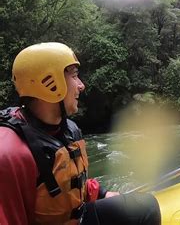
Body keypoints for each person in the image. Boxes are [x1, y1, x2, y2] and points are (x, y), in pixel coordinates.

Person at [0, 42, 160, 224]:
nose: (81, 85)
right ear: (49, 83)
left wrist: (101, 193)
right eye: (74, 77)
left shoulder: (68, 129)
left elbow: (68, 183)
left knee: (146, 206)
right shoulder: (9, 153)